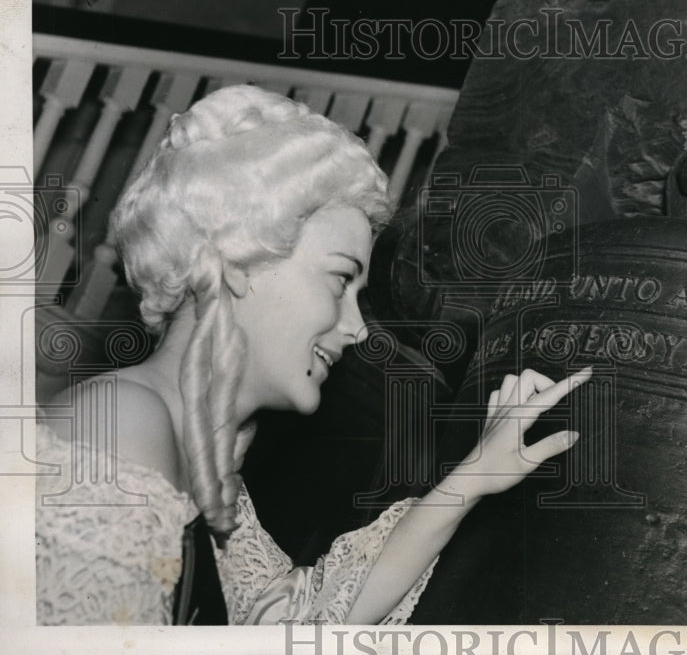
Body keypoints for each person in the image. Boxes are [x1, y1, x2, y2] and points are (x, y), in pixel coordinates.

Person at [35, 84, 590, 625]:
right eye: (340, 280)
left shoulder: (204, 462)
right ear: (238, 261)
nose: (358, 329)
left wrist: (472, 477)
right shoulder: (119, 426)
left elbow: (295, 624)